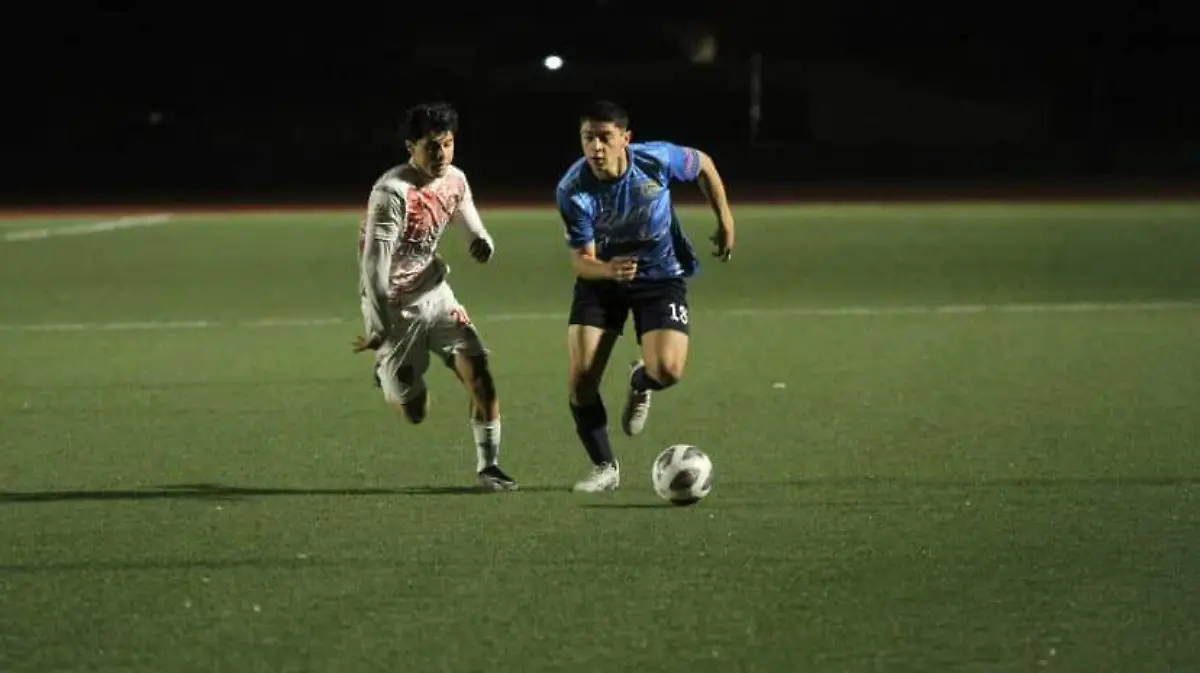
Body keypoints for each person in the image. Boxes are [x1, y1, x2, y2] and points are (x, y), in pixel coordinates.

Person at [555, 100, 736, 493]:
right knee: (581, 381)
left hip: (660, 274)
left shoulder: (656, 159)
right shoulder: (572, 189)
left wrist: (724, 219)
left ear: (625, 138)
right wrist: (609, 270)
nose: (596, 148)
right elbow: (582, 261)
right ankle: (605, 467)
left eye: (605, 138)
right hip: (602, 280)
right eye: (588, 138)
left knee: (667, 371)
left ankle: (640, 382)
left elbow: (703, 164)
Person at [354, 101, 517, 491]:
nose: (441, 154)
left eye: (447, 144)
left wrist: (482, 242)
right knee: (415, 411)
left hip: (435, 292)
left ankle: (489, 467)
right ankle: (385, 369)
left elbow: (471, 222)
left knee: (480, 373)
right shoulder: (391, 193)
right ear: (411, 147)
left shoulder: (455, 180)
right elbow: (374, 269)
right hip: (395, 307)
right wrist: (379, 326)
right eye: (431, 146)